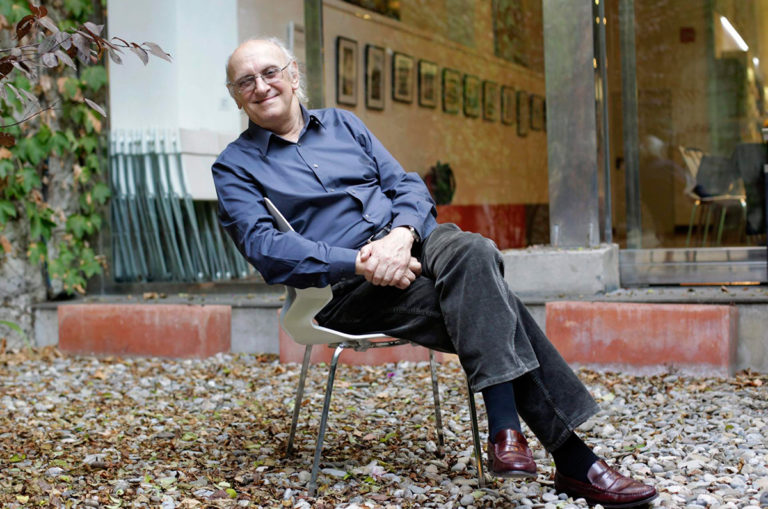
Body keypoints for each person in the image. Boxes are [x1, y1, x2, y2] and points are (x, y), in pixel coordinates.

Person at [212, 38, 657, 508]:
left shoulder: (344, 124)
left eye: (270, 72)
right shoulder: (234, 167)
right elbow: (267, 249)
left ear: (293, 74)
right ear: (236, 96)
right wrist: (361, 261)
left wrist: (401, 236)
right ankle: (564, 456)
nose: (261, 86)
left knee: (473, 251)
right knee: (483, 301)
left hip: (412, 241)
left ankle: (511, 432)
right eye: (246, 81)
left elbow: (406, 185)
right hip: (346, 287)